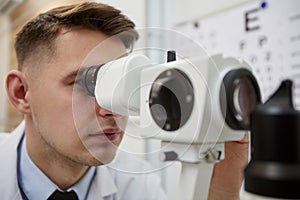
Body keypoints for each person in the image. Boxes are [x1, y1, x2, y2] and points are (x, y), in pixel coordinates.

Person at [0, 2, 249, 200]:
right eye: (85, 82)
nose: (110, 109)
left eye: (122, 84)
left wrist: (221, 193)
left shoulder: (139, 185)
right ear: (21, 93)